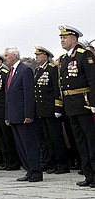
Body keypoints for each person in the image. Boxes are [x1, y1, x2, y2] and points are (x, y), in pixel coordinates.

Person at [58, 25, 95, 189]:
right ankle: (89, 175)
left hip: (84, 104)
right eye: (61, 38)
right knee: (80, 142)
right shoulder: (64, 59)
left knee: (91, 141)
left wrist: (93, 103)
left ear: (74, 39)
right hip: (71, 106)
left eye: (64, 37)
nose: (62, 40)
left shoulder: (84, 55)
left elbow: (92, 80)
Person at [4, 46, 42, 182]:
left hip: (23, 115)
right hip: (13, 115)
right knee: (20, 145)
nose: (5, 58)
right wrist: (7, 115)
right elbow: (8, 96)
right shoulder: (10, 72)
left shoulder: (25, 70)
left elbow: (28, 94)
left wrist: (29, 114)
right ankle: (29, 170)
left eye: (7, 55)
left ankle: (36, 172)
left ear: (14, 56)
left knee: (29, 144)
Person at [33, 45, 69, 174]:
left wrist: (58, 107)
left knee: (56, 138)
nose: (36, 57)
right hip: (42, 110)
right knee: (47, 138)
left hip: (51, 109)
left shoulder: (52, 69)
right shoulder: (38, 70)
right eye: (35, 55)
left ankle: (62, 164)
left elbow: (56, 89)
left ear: (45, 56)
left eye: (38, 55)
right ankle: (52, 163)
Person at [0, 52, 19, 170]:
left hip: (3, 110)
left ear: (1, 61)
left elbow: (6, 93)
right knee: (1, 138)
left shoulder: (4, 73)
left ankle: (13, 162)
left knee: (7, 137)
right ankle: (6, 161)